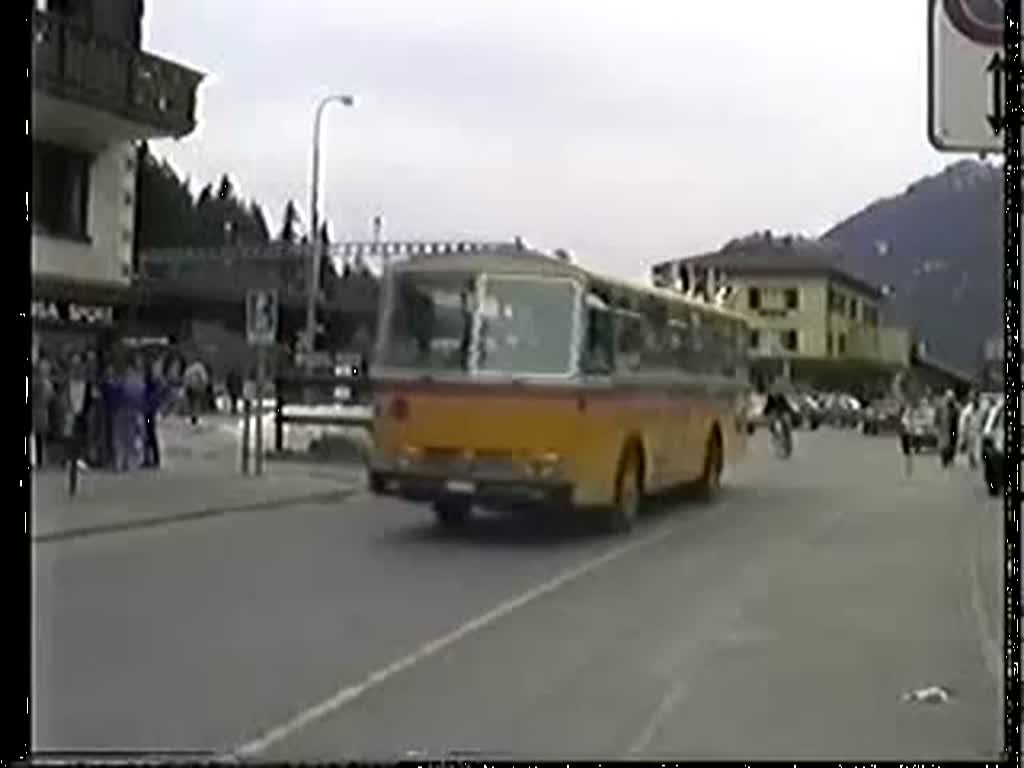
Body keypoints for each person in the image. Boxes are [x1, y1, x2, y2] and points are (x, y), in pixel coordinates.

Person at [32, 357, 55, 468]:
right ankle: (38, 460)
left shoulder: (46, 383)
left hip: (42, 412)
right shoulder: (39, 383)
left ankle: (40, 460)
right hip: (37, 412)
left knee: (41, 437)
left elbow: (50, 398)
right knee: (37, 437)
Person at [142, 359, 165, 469]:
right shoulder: (155, 381)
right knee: (149, 433)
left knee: (150, 433)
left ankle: (153, 459)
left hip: (149, 411)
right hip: (150, 410)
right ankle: (151, 458)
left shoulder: (152, 382)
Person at [183, 357, 209, 426]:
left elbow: (185, 377)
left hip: (189, 388)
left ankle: (191, 418)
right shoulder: (200, 368)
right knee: (196, 403)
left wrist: (185, 387)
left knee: (190, 404)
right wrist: (204, 386)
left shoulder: (190, 368)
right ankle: (195, 419)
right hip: (197, 388)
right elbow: (204, 378)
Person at [938, 390, 959, 469]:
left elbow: (958, 418)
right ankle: (944, 460)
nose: (950, 399)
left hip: (953, 429)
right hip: (944, 429)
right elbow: (937, 417)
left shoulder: (956, 407)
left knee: (952, 444)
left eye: (952, 398)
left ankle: (950, 458)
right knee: (943, 445)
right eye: (949, 398)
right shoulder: (942, 407)